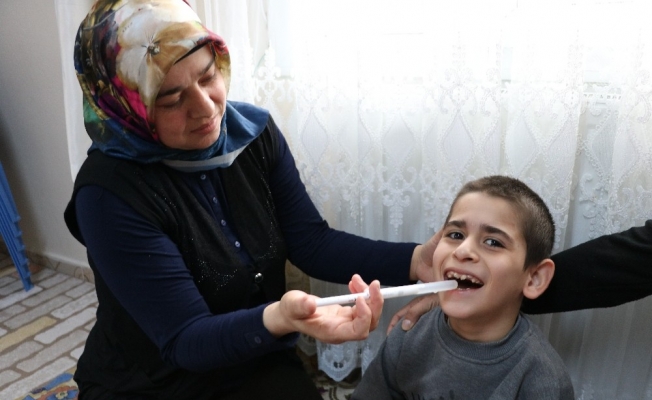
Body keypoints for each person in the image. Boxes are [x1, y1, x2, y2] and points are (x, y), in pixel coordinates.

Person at [63, 1, 434, 398]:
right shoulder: (108, 194)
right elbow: (185, 338)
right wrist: (279, 317)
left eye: (208, 76)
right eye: (171, 99)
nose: (205, 107)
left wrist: (417, 260)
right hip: (152, 380)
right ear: (126, 107)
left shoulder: (251, 134)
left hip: (250, 353)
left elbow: (311, 242)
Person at [353, 175, 574, 399]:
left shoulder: (543, 379)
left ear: (534, 278)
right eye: (456, 235)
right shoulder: (410, 333)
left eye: (493, 242)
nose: (462, 251)